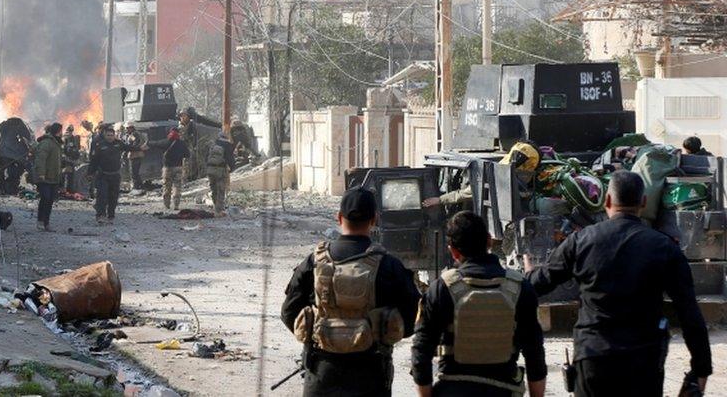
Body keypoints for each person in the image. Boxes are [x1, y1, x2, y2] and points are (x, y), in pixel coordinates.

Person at [525, 170, 712, 397]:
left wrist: (528, 276)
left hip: (593, 358)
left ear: (608, 201)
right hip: (644, 362)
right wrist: (700, 370)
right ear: (643, 202)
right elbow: (690, 314)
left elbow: (539, 284)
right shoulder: (664, 248)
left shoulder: (582, 240)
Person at [281, 187, 420, 397]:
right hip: (371, 373)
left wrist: (320, 337)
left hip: (321, 371)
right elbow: (412, 318)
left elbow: (289, 313)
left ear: (339, 217)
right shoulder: (389, 265)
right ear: (374, 220)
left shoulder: (314, 262)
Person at [411, 211, 546, 397]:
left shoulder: (441, 289)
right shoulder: (520, 288)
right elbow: (535, 353)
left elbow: (421, 351)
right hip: (504, 391)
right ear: (489, 241)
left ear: (453, 251)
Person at [88, 125, 144, 224]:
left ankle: (111, 216)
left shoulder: (118, 144)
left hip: (115, 175)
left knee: (113, 197)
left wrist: (140, 148)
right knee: (102, 196)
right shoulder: (99, 145)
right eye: (108, 135)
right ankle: (100, 215)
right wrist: (90, 173)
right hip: (103, 175)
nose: (110, 137)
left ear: (114, 135)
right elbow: (94, 161)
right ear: (105, 136)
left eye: (111, 135)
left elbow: (128, 148)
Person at [148, 128, 190, 210]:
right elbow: (187, 154)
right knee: (177, 186)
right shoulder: (182, 143)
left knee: (167, 186)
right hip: (178, 168)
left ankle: (167, 205)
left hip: (167, 169)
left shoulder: (165, 142)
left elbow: (156, 143)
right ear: (178, 134)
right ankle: (176, 205)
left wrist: (148, 142)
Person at [33, 122, 64, 231]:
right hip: (45, 178)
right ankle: (40, 222)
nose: (62, 133)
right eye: (61, 131)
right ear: (57, 131)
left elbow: (57, 161)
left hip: (53, 178)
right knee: (45, 199)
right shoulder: (47, 143)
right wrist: (41, 173)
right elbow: (40, 159)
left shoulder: (56, 144)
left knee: (50, 200)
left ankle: (46, 223)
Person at [206, 132, 235, 216]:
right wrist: (232, 168)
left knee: (213, 188)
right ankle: (219, 211)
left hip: (210, 168)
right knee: (221, 189)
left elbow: (207, 156)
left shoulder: (213, 144)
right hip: (220, 169)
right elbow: (230, 158)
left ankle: (216, 206)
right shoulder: (227, 145)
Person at [122, 123, 147, 190]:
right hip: (135, 155)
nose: (126, 130)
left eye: (127, 128)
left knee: (134, 173)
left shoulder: (134, 134)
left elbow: (135, 143)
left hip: (135, 155)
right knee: (134, 172)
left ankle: (137, 187)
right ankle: (140, 186)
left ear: (131, 128)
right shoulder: (133, 134)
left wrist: (129, 147)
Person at [178, 109, 198, 179]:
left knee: (190, 159)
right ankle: (184, 177)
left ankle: (190, 176)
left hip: (189, 145)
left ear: (188, 116)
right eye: (181, 116)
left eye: (184, 116)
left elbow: (194, 137)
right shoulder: (179, 126)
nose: (182, 117)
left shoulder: (192, 125)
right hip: (180, 146)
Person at [61, 125, 81, 193]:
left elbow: (76, 151)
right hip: (64, 161)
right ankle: (62, 189)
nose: (68, 133)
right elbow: (62, 150)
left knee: (71, 176)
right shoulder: (64, 139)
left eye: (69, 132)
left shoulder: (74, 139)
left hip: (70, 161)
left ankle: (69, 190)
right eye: (67, 132)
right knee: (62, 175)